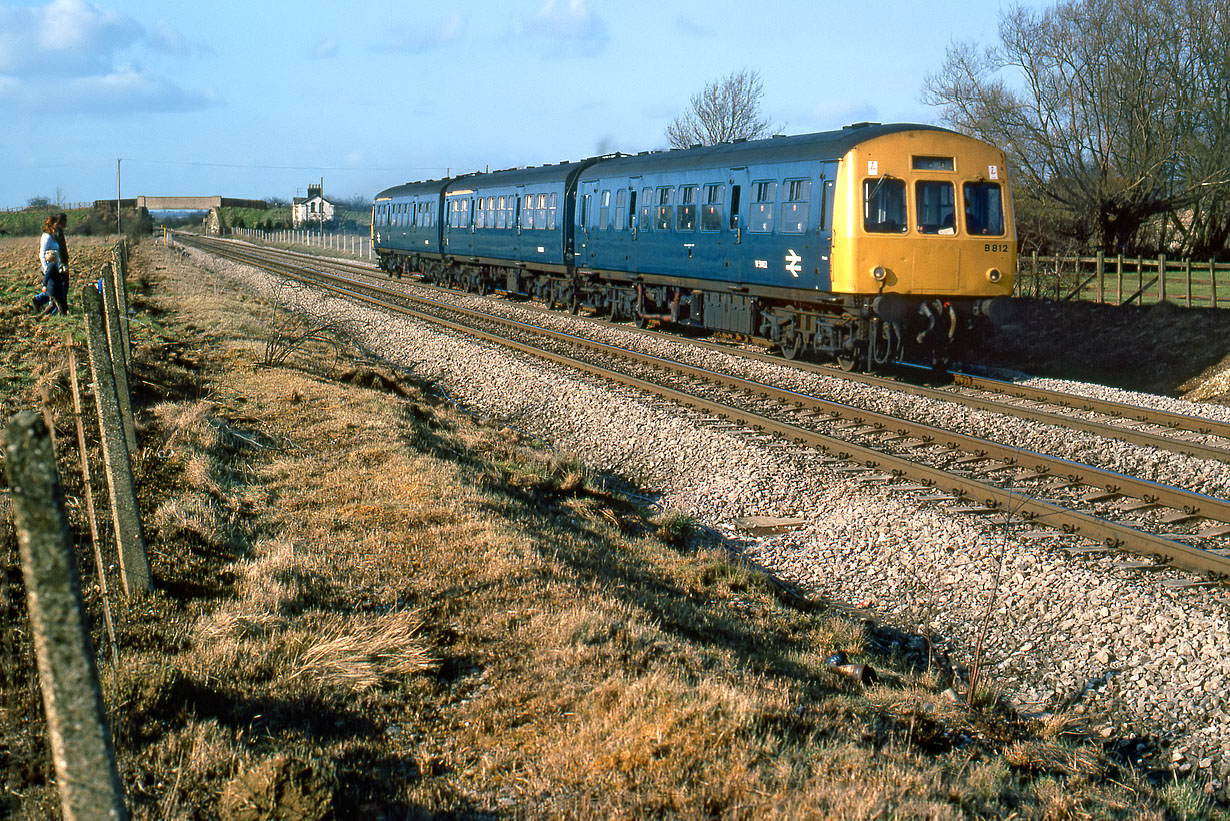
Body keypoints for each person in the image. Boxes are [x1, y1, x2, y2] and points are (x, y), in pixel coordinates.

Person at [31, 216, 67, 315]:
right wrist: (46, 267)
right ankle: (39, 300)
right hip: (50, 267)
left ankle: (47, 307)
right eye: (56, 223)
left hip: (55, 266)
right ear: (51, 224)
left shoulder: (53, 235)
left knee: (55, 288)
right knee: (55, 289)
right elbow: (42, 253)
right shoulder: (46, 237)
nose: (57, 225)